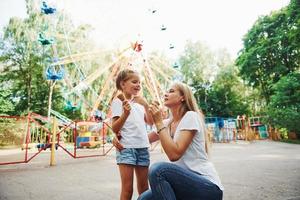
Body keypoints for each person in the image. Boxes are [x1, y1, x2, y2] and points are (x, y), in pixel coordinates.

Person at [114, 82, 223, 200]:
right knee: (143, 199)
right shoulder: (168, 123)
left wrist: (158, 121)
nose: (166, 94)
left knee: (159, 171)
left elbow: (174, 154)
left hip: (207, 187)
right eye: (166, 91)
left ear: (183, 97)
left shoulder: (191, 116)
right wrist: (119, 138)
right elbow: (141, 140)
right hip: (184, 185)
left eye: (171, 91)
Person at [111, 69, 153, 200]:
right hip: (126, 148)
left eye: (140, 82)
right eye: (134, 82)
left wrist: (146, 105)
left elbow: (151, 122)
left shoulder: (140, 103)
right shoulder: (118, 102)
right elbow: (114, 127)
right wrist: (125, 114)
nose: (138, 85)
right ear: (123, 84)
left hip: (143, 147)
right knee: (127, 189)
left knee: (144, 189)